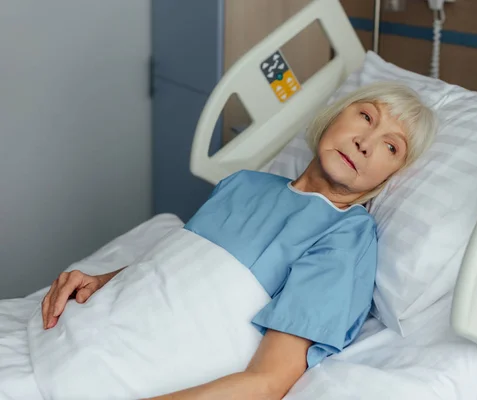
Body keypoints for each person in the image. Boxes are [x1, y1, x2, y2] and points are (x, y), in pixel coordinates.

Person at [40, 81, 437, 399]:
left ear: (388, 177)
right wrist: (104, 279)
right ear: (333, 116)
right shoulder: (246, 183)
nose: (365, 142)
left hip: (127, 375)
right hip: (76, 336)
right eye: (366, 116)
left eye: (390, 147)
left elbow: (267, 382)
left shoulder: (346, 234)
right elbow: (185, 267)